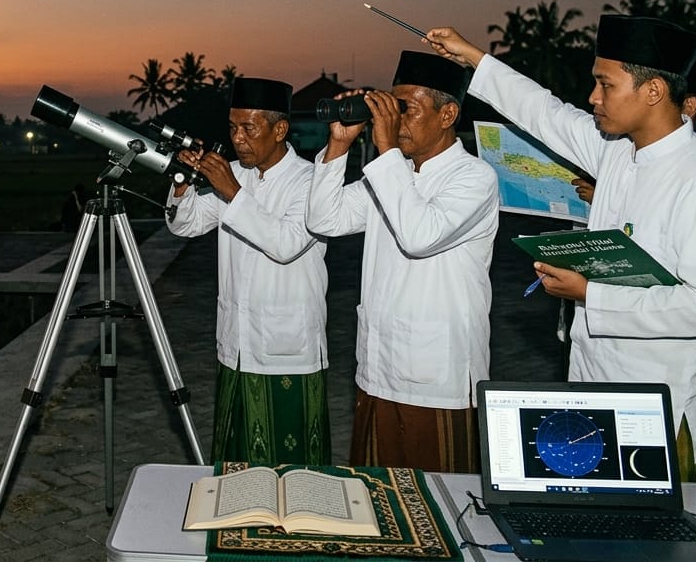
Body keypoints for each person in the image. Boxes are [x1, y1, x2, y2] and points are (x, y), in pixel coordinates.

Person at [427, 15, 696, 480]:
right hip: (595, 389)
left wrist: (590, 294)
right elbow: (544, 111)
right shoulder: (617, 151)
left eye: (605, 84)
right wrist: (473, 57)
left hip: (662, 413)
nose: (593, 97)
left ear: (653, 91)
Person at [305, 51, 499, 473]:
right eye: (391, 107)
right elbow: (324, 218)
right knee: (378, 499)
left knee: (441, 506)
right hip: (378, 367)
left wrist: (387, 147)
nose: (394, 119)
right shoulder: (393, 172)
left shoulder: (473, 177)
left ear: (448, 114)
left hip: (438, 377)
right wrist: (339, 143)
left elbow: (419, 236)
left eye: (406, 109)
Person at [165, 76, 330, 466]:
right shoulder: (233, 173)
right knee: (235, 459)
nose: (238, 138)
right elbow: (185, 225)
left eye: (249, 128)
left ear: (280, 129)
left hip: (288, 349)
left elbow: (286, 245)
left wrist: (232, 192)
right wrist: (182, 184)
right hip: (236, 346)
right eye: (233, 127)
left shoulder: (310, 182)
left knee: (293, 467)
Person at [572, 63, 696, 204]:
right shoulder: (623, 146)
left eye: (607, 85)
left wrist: (601, 200)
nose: (593, 98)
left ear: (689, 106)